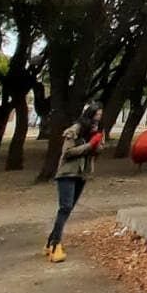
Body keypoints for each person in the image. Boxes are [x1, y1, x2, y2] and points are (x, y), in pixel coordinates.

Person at [46, 102, 105, 263]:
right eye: (96, 116)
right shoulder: (75, 130)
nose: (98, 119)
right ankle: (55, 245)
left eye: (100, 116)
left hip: (82, 174)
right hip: (67, 173)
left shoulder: (98, 130)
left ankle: (50, 242)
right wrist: (89, 145)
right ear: (89, 115)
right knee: (64, 207)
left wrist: (98, 143)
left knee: (68, 208)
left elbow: (99, 151)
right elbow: (68, 152)